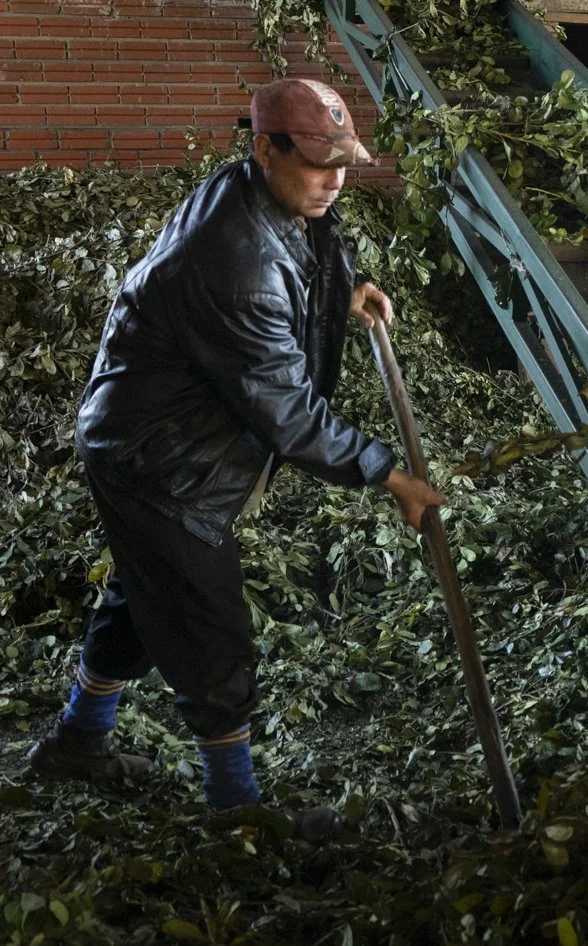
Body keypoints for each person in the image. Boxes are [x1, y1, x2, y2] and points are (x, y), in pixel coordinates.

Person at [26, 78, 446, 840]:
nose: (334, 182)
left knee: (145, 596)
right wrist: (389, 475)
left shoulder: (260, 195)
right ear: (265, 148)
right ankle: (236, 809)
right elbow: (287, 416)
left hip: (153, 436)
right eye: (319, 165)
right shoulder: (234, 261)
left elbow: (310, 251)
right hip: (160, 460)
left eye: (343, 164)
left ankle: (76, 743)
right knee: (213, 632)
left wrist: (345, 291)